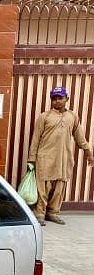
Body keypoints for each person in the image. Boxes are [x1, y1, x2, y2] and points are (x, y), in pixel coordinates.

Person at [27, 86, 94, 225]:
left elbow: (79, 137)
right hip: (45, 157)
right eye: (54, 98)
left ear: (66, 99)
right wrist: (32, 159)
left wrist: (88, 152)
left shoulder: (72, 117)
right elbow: (35, 139)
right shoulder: (44, 116)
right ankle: (39, 214)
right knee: (43, 187)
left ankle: (52, 213)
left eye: (60, 98)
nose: (57, 101)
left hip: (64, 159)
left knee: (59, 187)